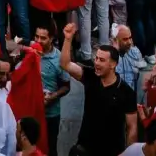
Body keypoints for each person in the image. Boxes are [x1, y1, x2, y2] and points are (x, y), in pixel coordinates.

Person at [59, 23, 138, 155]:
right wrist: (68, 39)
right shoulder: (91, 77)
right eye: (96, 58)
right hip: (85, 148)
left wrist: (128, 153)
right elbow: (65, 64)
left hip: (111, 151)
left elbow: (132, 127)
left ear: (113, 64)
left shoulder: (126, 92)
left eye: (101, 60)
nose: (96, 63)